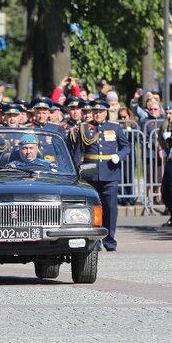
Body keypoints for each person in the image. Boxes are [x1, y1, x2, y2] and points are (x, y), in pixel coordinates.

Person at [72, 98, 129, 251]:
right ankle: (94, 241)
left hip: (110, 171)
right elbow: (78, 152)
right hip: (90, 171)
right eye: (95, 112)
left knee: (110, 208)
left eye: (100, 112)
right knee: (93, 207)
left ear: (106, 113)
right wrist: (77, 169)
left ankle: (110, 240)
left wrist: (119, 156)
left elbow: (126, 147)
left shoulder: (115, 128)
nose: (97, 114)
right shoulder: (84, 128)